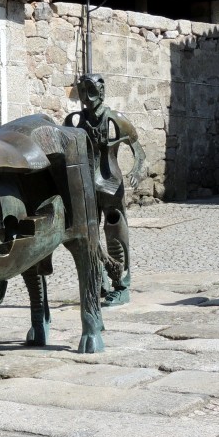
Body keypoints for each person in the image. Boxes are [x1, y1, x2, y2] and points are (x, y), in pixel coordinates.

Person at [64, 73, 146, 306]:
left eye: (90, 90)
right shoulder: (73, 121)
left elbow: (139, 151)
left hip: (110, 183)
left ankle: (121, 283)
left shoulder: (115, 119)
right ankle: (99, 278)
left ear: (101, 92)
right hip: (85, 185)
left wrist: (137, 170)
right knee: (89, 234)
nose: (86, 98)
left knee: (115, 231)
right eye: (82, 91)